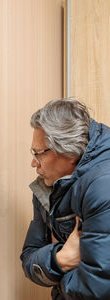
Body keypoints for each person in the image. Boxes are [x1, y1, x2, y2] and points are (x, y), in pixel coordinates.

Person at [20, 98, 110, 299]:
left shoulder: (103, 184)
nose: (33, 164)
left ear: (69, 152)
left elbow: (96, 289)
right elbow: (28, 259)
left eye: (38, 154)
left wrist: (57, 277)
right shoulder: (47, 187)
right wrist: (60, 259)